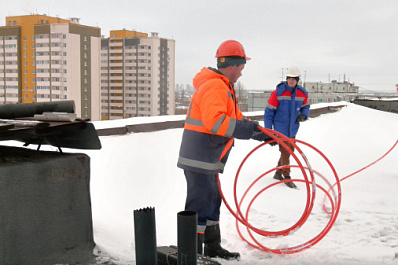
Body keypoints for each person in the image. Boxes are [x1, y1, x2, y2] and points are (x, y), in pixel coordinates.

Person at [177, 40, 271, 260]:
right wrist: (247, 129)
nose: (241, 74)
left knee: (212, 201)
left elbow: (235, 118)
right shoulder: (215, 86)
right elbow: (216, 123)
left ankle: (211, 247)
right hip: (199, 157)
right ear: (232, 65)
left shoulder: (223, 86)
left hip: (208, 157)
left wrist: (260, 132)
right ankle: (192, 254)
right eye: (241, 68)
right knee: (199, 205)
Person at [263, 66, 310, 188]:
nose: (291, 80)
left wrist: (304, 115)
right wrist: (269, 132)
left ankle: (278, 172)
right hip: (280, 128)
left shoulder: (302, 93)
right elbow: (268, 113)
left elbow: (306, 106)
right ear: (286, 78)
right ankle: (286, 176)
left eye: (294, 78)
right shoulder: (278, 93)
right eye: (289, 78)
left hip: (292, 128)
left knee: (289, 151)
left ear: (297, 80)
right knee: (286, 151)